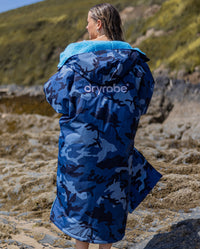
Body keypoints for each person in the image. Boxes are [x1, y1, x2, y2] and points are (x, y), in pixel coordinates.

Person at [44, 3, 162, 249]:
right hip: (117, 147)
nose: (86, 26)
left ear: (98, 24)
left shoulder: (73, 63)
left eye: (88, 21)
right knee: (110, 204)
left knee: (81, 205)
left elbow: (54, 97)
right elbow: (142, 103)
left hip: (79, 151)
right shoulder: (136, 65)